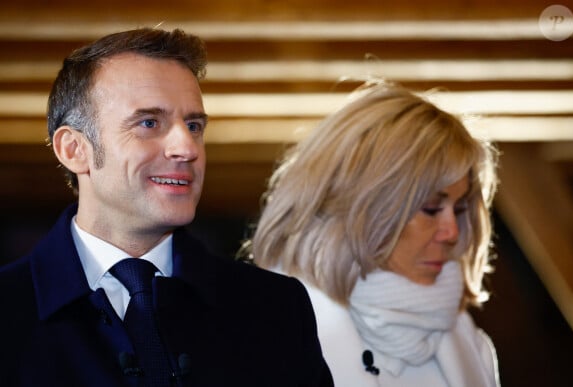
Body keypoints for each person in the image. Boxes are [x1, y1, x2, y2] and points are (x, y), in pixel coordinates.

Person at [0, 28, 333, 387]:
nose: (186, 147)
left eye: (193, 126)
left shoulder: (275, 308)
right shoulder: (8, 311)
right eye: (149, 123)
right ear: (74, 150)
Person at [248, 82, 501, 387]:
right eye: (432, 208)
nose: (452, 232)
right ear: (361, 207)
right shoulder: (264, 337)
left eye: (459, 209)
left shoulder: (473, 345)